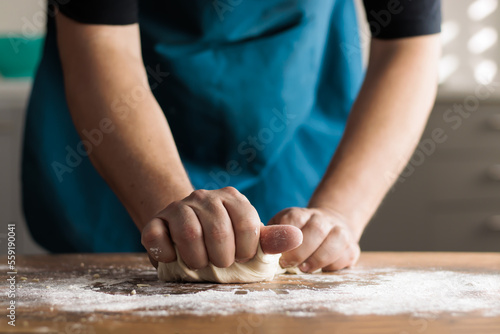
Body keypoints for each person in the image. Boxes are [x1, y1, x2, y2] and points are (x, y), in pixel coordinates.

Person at [22, 0, 441, 273]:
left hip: (293, 132)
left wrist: (340, 212)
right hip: (118, 142)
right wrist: (173, 212)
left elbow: (408, 45)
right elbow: (102, 44)